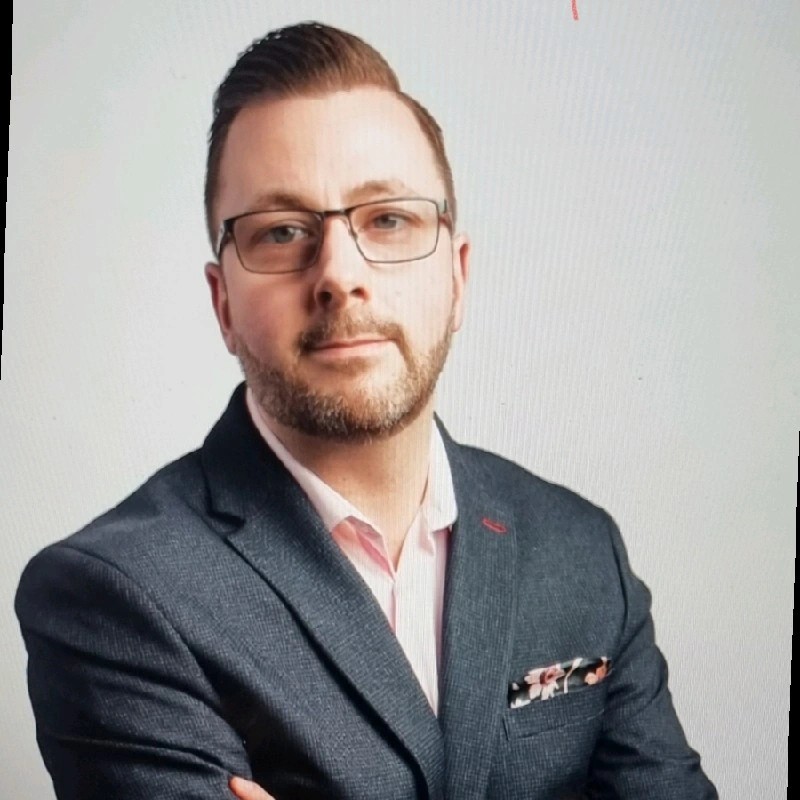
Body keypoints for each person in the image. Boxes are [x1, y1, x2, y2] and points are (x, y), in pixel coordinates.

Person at [15, 21, 717, 800]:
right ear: (222, 304)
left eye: (387, 219)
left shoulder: (581, 552)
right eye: (282, 232)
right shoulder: (112, 594)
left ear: (458, 279)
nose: (339, 274)